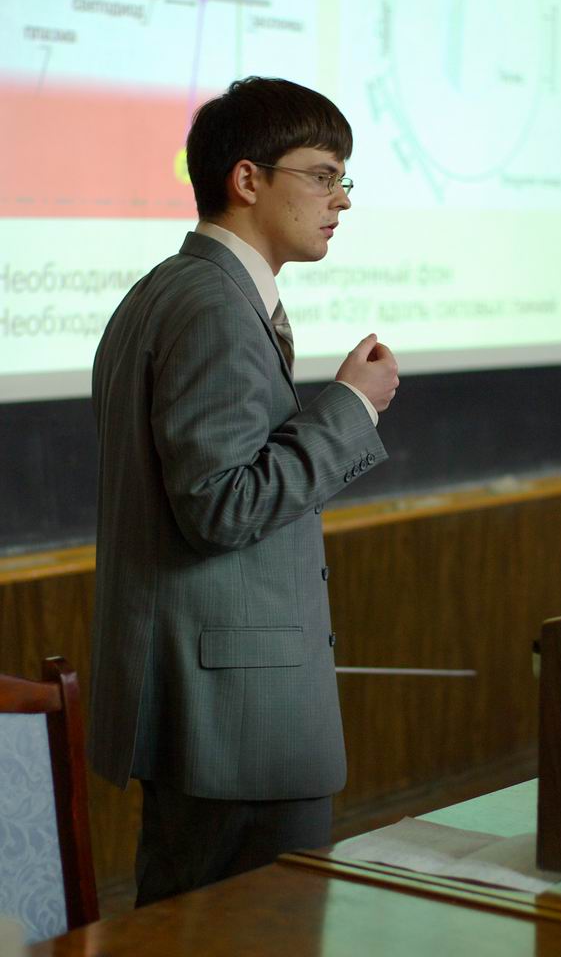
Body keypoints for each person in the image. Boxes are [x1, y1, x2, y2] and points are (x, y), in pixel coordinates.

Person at [88, 76, 399, 906]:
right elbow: (221, 505)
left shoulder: (172, 288)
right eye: (322, 176)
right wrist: (351, 409)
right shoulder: (214, 307)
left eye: (343, 179)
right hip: (233, 715)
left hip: (212, 702)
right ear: (248, 179)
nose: (341, 199)